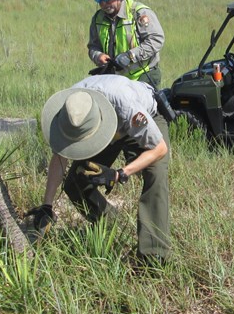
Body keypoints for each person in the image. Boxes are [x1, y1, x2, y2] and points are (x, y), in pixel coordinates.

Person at [27, 74, 171, 265]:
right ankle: (110, 224)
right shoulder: (73, 109)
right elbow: (60, 156)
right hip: (108, 129)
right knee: (76, 181)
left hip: (144, 118)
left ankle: (154, 256)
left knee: (156, 176)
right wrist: (47, 206)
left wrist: (120, 174)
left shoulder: (126, 105)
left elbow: (159, 148)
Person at [86, 0, 164, 86]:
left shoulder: (138, 13)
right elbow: (93, 46)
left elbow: (156, 40)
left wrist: (130, 56)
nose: (104, 3)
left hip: (143, 76)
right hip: (114, 79)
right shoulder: (97, 18)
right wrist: (97, 56)